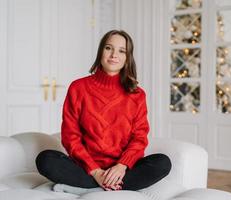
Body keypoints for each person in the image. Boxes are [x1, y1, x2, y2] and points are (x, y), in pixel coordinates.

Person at [35, 30, 172, 193]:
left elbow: (139, 137)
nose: (114, 55)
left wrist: (121, 166)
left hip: (122, 170)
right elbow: (70, 136)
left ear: (127, 58)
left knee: (163, 163)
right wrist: (96, 171)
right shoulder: (78, 88)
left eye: (122, 51)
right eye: (109, 48)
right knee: (45, 159)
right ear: (101, 51)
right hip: (86, 167)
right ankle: (106, 185)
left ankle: (89, 187)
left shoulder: (137, 94)